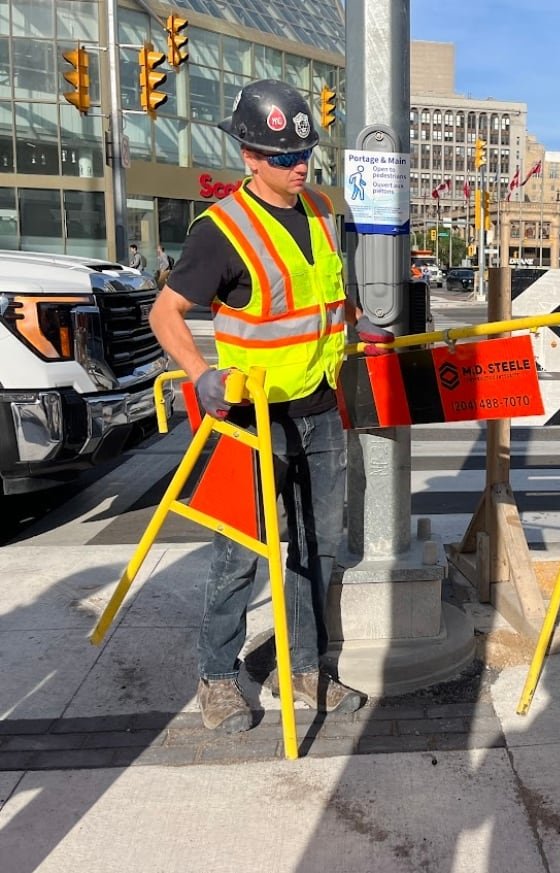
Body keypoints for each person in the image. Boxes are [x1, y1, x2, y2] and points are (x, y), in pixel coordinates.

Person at [148, 79, 395, 733]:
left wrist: (359, 325)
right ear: (250, 157)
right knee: (240, 551)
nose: (299, 165)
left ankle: (309, 669)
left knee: (315, 547)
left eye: (305, 152)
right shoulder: (221, 230)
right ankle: (218, 676)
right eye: (284, 156)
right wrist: (199, 374)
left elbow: (324, 296)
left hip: (317, 409)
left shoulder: (316, 209)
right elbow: (164, 313)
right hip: (254, 419)